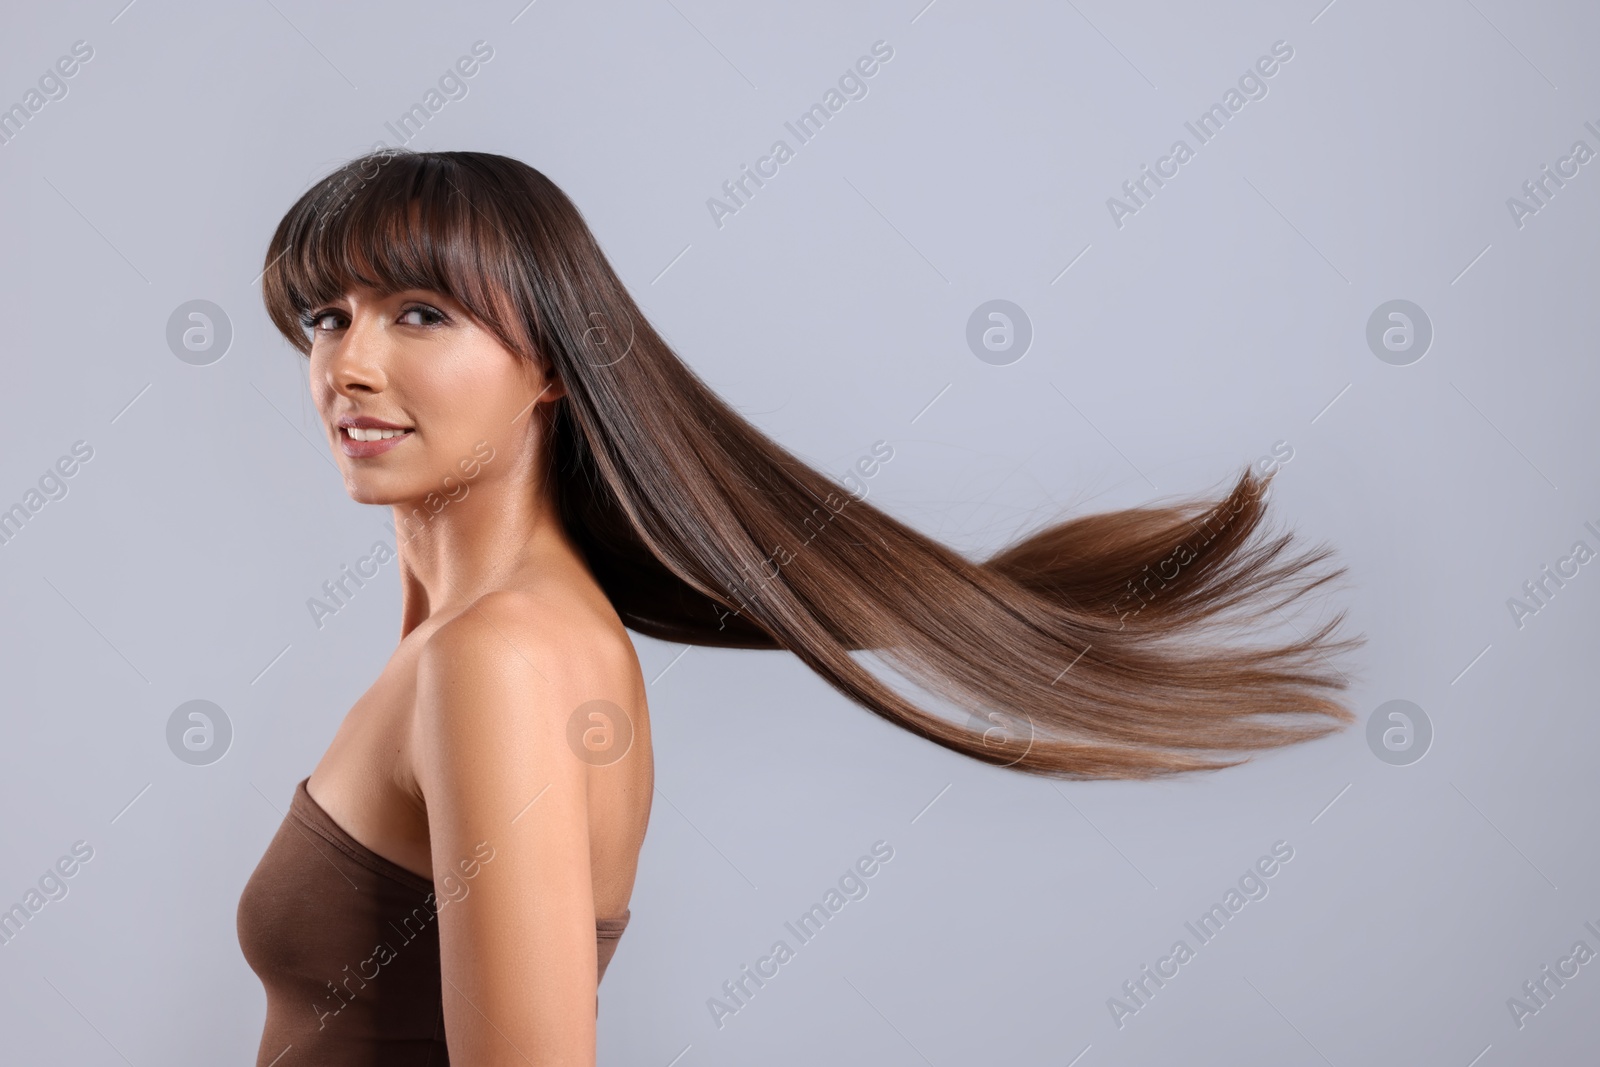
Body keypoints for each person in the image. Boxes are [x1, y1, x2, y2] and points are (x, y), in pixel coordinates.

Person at [236, 149, 1360, 1065]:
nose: (351, 362)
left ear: (550, 366)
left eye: (419, 313)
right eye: (328, 316)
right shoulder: (475, 637)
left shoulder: (501, 657)